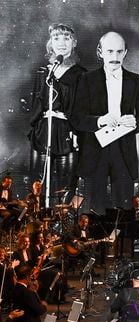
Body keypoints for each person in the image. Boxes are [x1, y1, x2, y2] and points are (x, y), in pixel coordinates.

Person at [71, 31, 139, 213]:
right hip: (95, 152)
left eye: (119, 52)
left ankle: (121, 241)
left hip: (124, 153)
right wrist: (99, 121)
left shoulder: (136, 81)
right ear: (100, 52)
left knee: (124, 212)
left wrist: (136, 122)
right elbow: (76, 118)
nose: (114, 57)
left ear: (125, 53)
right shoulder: (86, 80)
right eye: (109, 52)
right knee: (93, 212)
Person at [29, 23, 86, 198]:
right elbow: (34, 106)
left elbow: (83, 109)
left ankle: (63, 224)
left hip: (67, 134)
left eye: (66, 38)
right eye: (56, 38)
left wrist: (76, 131)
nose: (61, 42)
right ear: (50, 43)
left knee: (65, 189)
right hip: (43, 132)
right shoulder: (42, 72)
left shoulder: (81, 74)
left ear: (74, 42)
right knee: (37, 187)